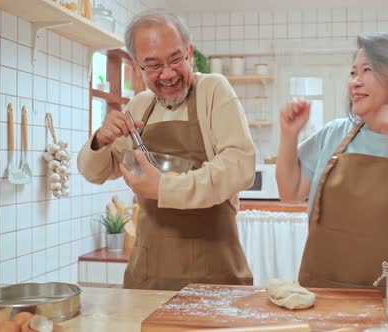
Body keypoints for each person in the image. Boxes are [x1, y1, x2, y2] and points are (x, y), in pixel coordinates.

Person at [77, 11, 255, 290]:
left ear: (190, 53)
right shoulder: (139, 107)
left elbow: (239, 165)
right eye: (154, 65)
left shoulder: (212, 90)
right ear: (138, 67)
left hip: (214, 275)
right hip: (149, 276)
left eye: (175, 59)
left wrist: (164, 188)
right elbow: (95, 173)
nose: (168, 73)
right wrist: (100, 140)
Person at [276, 33, 388, 291]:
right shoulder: (335, 133)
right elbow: (289, 192)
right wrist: (289, 135)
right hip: (319, 295)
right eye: (352, 73)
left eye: (366, 71)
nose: (354, 83)